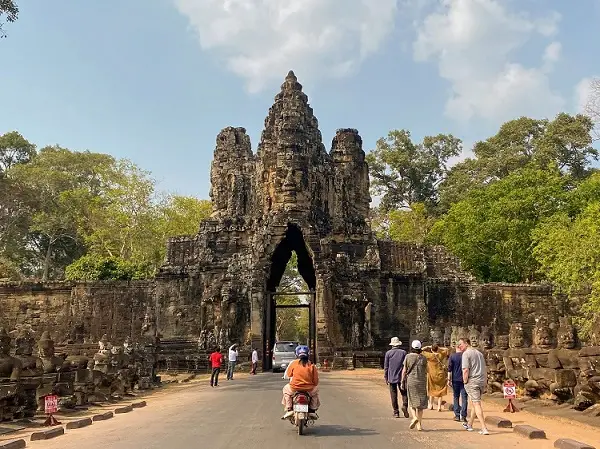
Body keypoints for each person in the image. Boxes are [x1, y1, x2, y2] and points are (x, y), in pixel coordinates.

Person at [460, 337, 489, 435]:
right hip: (481, 380)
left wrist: (465, 381)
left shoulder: (466, 354)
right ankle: (470, 424)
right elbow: (484, 368)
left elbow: (465, 370)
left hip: (472, 381)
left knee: (476, 404)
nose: (459, 347)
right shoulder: (479, 353)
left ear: (466, 344)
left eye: (461, 344)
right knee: (474, 402)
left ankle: (484, 427)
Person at [281, 345, 320, 420]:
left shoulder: (294, 363)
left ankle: (289, 408)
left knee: (286, 390)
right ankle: (312, 410)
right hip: (308, 389)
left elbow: (289, 374)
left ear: (297, 354)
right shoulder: (312, 365)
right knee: (315, 393)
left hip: (294, 388)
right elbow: (315, 381)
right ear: (308, 354)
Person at [402, 340, 428, 431]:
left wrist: (402, 381)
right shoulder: (424, 358)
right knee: (421, 404)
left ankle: (414, 417)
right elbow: (426, 370)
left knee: (412, 402)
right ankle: (419, 425)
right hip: (422, 381)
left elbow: (404, 370)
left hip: (411, 381)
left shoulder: (408, 357)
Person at [384, 337, 409, 418]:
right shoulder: (403, 353)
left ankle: (396, 412)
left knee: (393, 395)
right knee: (404, 393)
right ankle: (405, 406)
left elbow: (386, 366)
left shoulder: (388, 353)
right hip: (402, 376)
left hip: (391, 377)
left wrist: (386, 377)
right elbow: (406, 365)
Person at [422, 343, 450, 411]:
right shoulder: (441, 354)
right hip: (440, 374)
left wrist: (427, 346)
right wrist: (439, 348)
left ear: (431, 349)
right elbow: (447, 349)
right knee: (440, 390)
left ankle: (430, 405)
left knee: (432, 389)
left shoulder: (429, 355)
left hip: (432, 374)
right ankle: (439, 406)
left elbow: (421, 350)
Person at [447, 344, 468, 422]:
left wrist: (448, 379)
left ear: (456, 348)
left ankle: (457, 415)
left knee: (456, 396)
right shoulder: (465, 356)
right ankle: (464, 416)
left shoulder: (452, 356)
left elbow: (449, 369)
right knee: (464, 397)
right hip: (464, 379)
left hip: (455, 379)